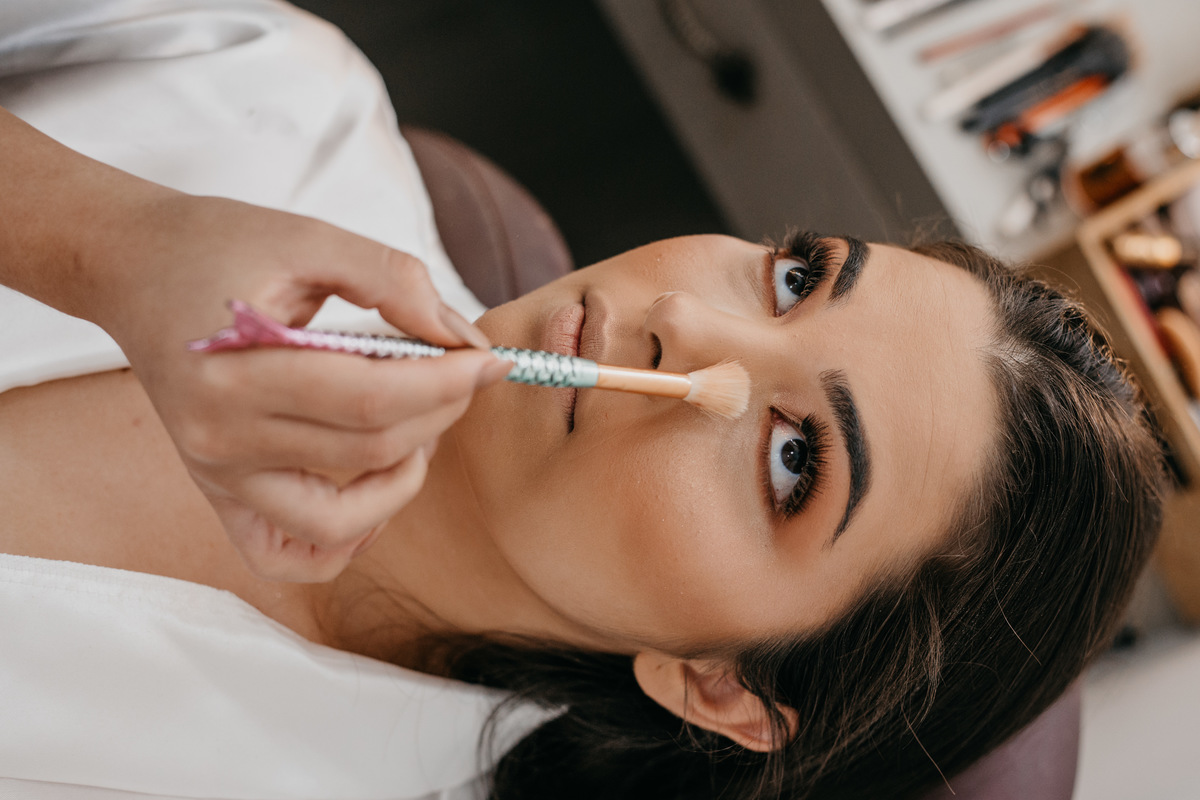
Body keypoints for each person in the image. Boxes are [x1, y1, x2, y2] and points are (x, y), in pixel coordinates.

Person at [0, 2, 1164, 800]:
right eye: (797, 277)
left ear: (720, 681)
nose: (691, 324)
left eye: (795, 460)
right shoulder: (269, 91)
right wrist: (99, 236)